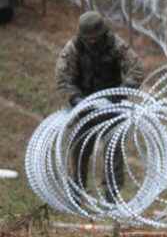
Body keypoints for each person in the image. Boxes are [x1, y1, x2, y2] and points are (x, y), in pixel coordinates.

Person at [56, 11, 144, 204]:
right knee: (79, 147)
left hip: (111, 105)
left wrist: (119, 93)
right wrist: (76, 100)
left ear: (103, 33)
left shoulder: (115, 45)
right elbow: (63, 79)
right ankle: (77, 191)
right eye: (89, 39)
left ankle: (112, 194)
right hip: (84, 107)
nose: (92, 42)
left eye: (96, 38)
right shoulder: (74, 48)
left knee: (113, 148)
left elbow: (137, 68)